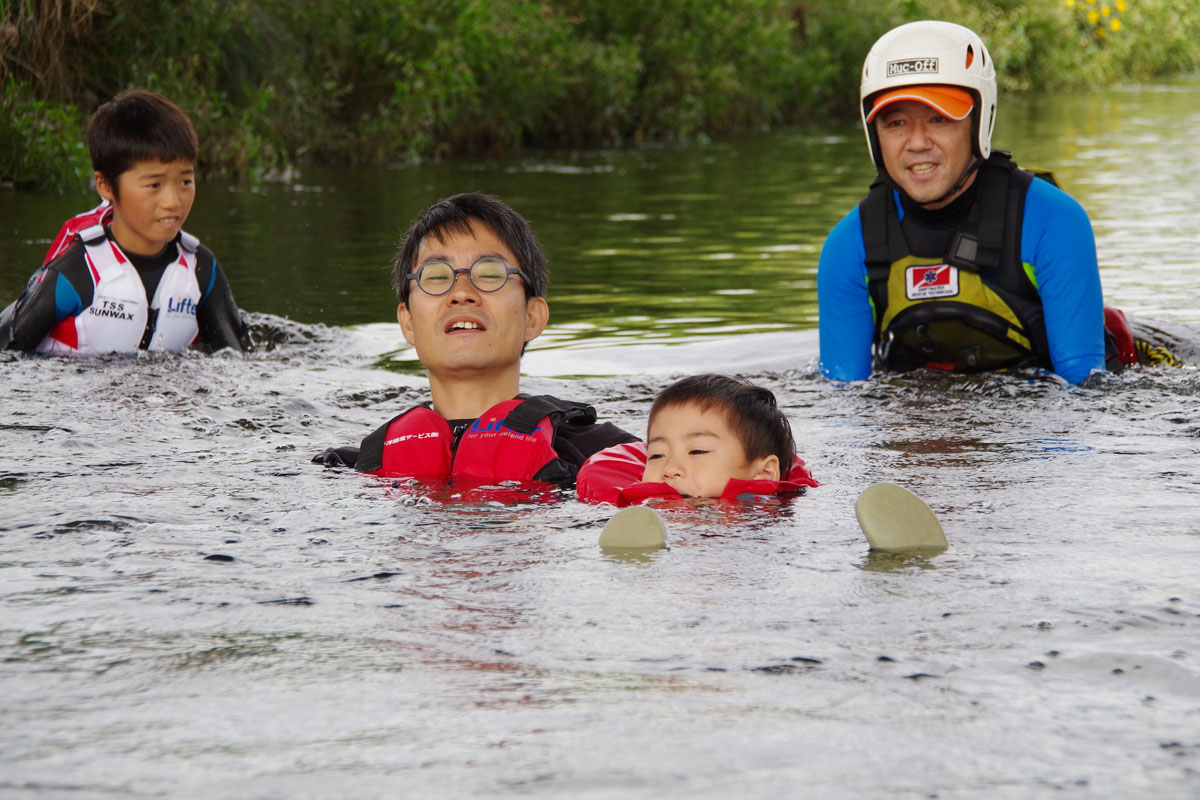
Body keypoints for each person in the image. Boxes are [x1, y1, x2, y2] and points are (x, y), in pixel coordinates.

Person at [817, 20, 1140, 385]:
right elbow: (843, 404)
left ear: (978, 123)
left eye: (940, 119)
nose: (917, 142)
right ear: (874, 135)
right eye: (896, 123)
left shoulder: (1054, 221)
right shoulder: (848, 248)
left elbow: (1084, 392)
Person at [313, 192, 637, 486]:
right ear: (407, 322)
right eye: (437, 277)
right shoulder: (354, 469)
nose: (462, 294)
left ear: (532, 318)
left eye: (490, 274)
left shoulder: (611, 456)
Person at [0, 90, 250, 355]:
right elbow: (7, 356)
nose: (173, 202)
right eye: (154, 185)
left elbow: (239, 363)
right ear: (106, 186)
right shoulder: (76, 273)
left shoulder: (202, 271)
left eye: (185, 181)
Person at [577, 374, 818, 506]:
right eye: (657, 455)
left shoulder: (768, 516)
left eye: (697, 452)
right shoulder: (635, 514)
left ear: (764, 473)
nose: (670, 469)